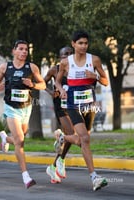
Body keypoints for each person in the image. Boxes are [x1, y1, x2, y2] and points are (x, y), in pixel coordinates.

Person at [55, 30, 109, 191]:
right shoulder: (66, 62)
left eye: (86, 43)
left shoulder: (94, 60)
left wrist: (95, 77)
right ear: (73, 44)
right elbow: (57, 82)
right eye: (80, 43)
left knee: (83, 140)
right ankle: (94, 177)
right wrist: (61, 91)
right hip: (72, 105)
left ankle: (63, 138)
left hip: (89, 105)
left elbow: (105, 81)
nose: (83, 46)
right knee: (84, 138)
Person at [0, 40, 46, 189]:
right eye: (21, 49)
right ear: (14, 51)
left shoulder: (32, 67)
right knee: (21, 141)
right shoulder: (5, 67)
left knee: (21, 136)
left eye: (26, 50)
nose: (24, 52)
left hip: (26, 107)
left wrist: (33, 85)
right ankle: (26, 176)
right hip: (11, 107)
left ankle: (5, 138)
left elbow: (42, 84)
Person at [44, 46, 75, 184]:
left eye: (70, 53)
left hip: (74, 105)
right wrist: (51, 92)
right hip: (60, 106)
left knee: (72, 136)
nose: (68, 56)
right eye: (65, 54)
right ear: (60, 57)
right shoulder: (54, 70)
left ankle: (54, 166)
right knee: (71, 132)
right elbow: (42, 82)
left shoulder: (76, 69)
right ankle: (60, 159)